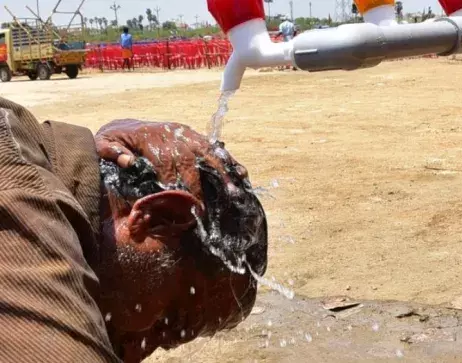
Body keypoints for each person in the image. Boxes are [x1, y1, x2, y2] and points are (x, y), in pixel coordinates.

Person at [0, 97, 268, 362]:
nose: (134, 354)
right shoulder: (25, 216)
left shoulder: (21, 141)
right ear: (157, 219)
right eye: (166, 322)